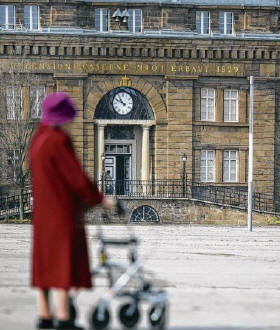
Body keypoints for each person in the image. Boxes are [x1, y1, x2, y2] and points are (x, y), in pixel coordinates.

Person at [29, 92, 115, 330]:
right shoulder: (57, 142)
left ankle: (44, 316)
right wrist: (100, 199)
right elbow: (75, 178)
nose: (71, 124)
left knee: (44, 265)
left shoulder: (38, 141)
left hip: (43, 214)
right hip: (60, 213)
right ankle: (64, 318)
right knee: (61, 266)